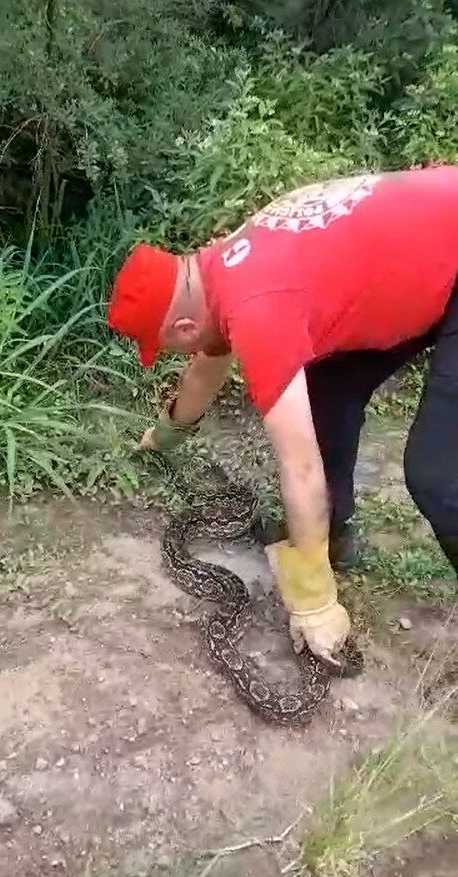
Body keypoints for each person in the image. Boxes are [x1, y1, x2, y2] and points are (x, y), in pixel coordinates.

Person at [107, 165, 458, 668]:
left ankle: (319, 566)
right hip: (428, 266)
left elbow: (300, 468)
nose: (174, 354)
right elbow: (205, 368)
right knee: (325, 394)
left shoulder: (256, 307)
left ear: (183, 325)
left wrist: (313, 603)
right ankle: (328, 536)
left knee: (439, 474)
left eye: (164, 347)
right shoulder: (224, 266)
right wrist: (163, 435)